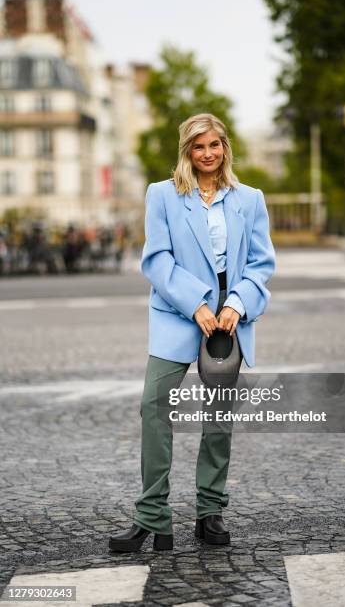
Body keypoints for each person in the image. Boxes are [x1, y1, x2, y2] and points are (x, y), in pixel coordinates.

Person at [109, 112, 276, 553]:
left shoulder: (250, 198)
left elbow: (261, 264)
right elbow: (157, 259)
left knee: (219, 418)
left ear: (225, 148)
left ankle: (210, 511)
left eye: (215, 145)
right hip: (178, 311)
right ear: (187, 150)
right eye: (199, 146)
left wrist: (235, 304)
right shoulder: (162, 195)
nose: (207, 154)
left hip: (228, 319)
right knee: (153, 406)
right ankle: (152, 516)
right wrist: (196, 304)